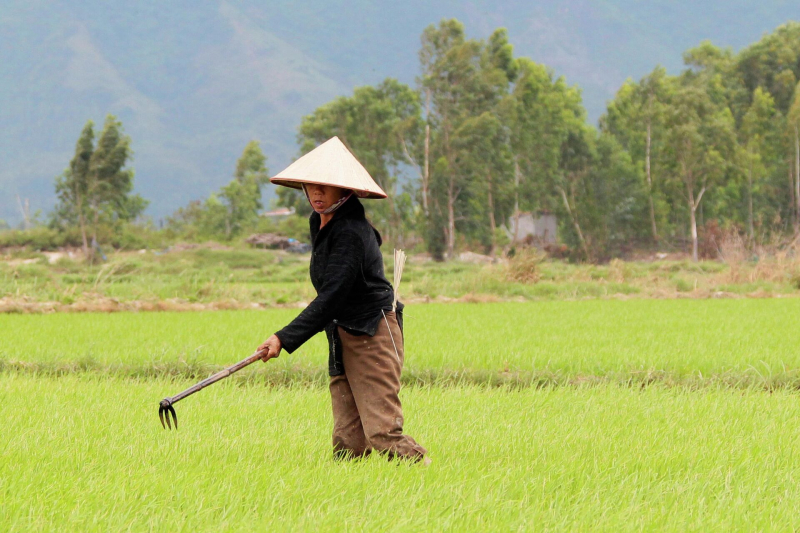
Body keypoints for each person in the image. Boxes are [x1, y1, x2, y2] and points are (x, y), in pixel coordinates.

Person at [257, 137, 428, 463]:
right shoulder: (320, 223)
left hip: (371, 331)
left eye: (326, 186)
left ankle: (426, 474)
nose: (317, 193)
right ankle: (351, 502)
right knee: (348, 440)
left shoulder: (351, 231)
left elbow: (333, 295)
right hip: (341, 331)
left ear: (344, 190)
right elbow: (331, 298)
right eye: (312, 186)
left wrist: (284, 338)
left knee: (382, 433)